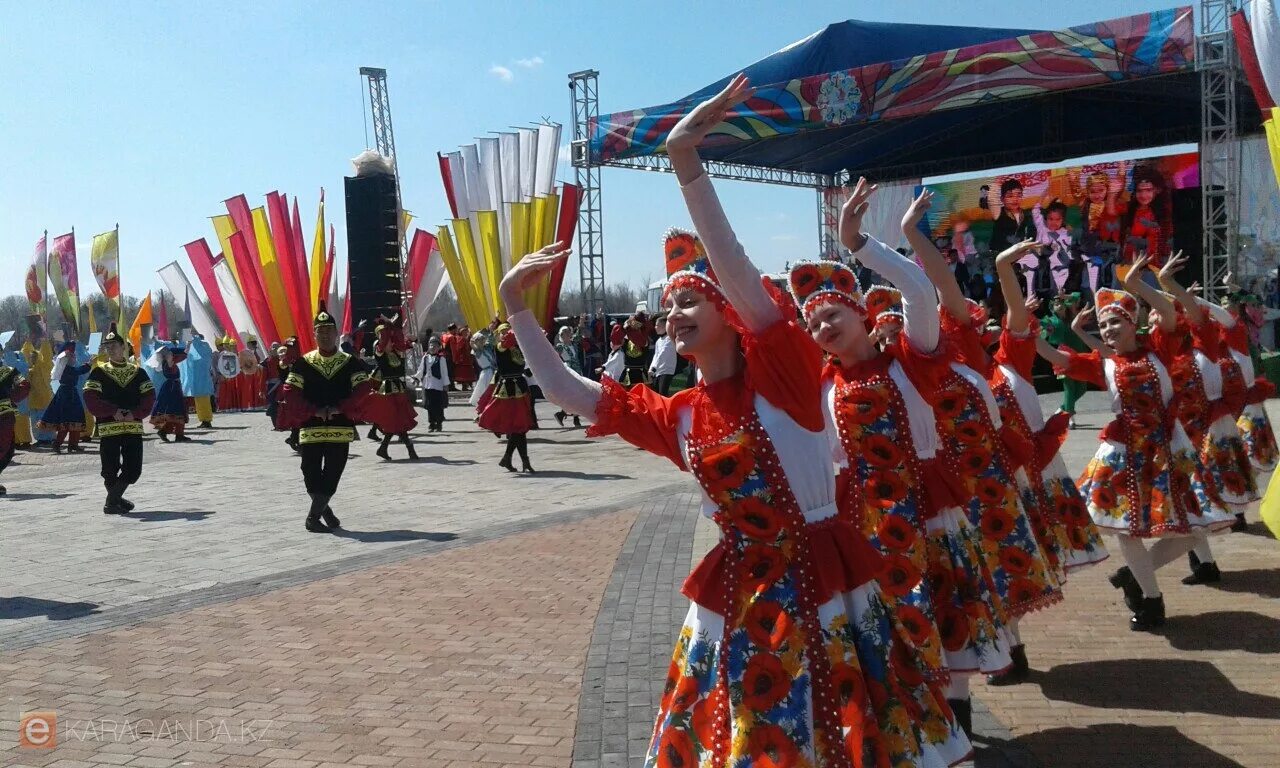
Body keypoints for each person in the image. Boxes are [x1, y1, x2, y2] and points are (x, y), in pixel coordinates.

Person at [499, 74, 971, 767]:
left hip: (823, 579)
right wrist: (517, 311)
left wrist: (687, 164)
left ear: (732, 315)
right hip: (741, 592)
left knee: (847, 730)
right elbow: (572, 394)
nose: (674, 317)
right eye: (668, 310)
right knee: (752, 733)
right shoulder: (678, 414)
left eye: (692, 302)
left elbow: (743, 276)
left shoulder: (785, 379)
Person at [793, 181, 1009, 739]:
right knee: (892, 625)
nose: (822, 327)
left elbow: (917, 287)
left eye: (833, 312)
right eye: (812, 323)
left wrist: (860, 243)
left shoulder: (913, 360)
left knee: (947, 607)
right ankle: (921, 725)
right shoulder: (823, 390)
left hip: (929, 508)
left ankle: (956, 716)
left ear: (863, 315)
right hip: (866, 522)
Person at [1035, 257, 1236, 630]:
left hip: (1167, 449)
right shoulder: (1103, 364)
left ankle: (1131, 576)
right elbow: (1054, 356)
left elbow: (1170, 311)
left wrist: (1139, 284)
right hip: (1124, 453)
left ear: (1134, 324)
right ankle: (1151, 600)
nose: (1108, 329)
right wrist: (1027, 330)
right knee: (1126, 531)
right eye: (1104, 324)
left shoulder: (1160, 348)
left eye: (1115, 322)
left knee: (1193, 530)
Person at [276, 304, 376, 533]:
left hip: (340, 426)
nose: (325, 336)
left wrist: (342, 407)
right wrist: (314, 411)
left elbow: (363, 388)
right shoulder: (304, 362)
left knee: (333, 472)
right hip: (311, 426)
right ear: (314, 335)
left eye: (329, 331)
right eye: (320, 332)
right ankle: (325, 512)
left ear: (336, 332)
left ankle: (312, 518)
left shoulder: (349, 362)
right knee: (309, 472)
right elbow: (289, 392)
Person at [83, 324, 156, 515]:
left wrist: (136, 413)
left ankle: (112, 501)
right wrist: (111, 410)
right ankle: (115, 501)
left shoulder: (138, 372)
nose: (110, 349)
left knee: (134, 468)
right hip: (109, 426)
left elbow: (149, 396)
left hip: (132, 425)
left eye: (114, 345)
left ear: (124, 347)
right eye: (107, 346)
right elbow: (90, 396)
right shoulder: (98, 371)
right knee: (109, 468)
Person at [477, 322, 535, 473]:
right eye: (503, 332)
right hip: (508, 390)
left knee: (520, 428)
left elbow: (524, 363)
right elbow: (506, 344)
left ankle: (515, 460)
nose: (506, 334)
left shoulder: (517, 347)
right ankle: (514, 459)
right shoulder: (500, 347)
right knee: (518, 427)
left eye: (508, 331)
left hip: (520, 388)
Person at [368, 313, 419, 461]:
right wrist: (387, 326)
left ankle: (384, 448)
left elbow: (405, 344)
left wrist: (400, 332)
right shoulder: (380, 353)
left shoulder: (396, 354)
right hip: (388, 391)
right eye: (389, 341)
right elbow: (383, 341)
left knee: (398, 420)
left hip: (399, 390)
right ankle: (410, 449)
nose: (391, 343)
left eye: (392, 341)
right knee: (395, 419)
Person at [1041, 293, 1090, 428]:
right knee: (1069, 388)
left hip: (1079, 356)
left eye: (1061, 303)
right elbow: (1042, 330)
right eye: (1056, 304)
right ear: (1052, 308)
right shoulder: (1051, 320)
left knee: (1081, 388)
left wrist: (1066, 295)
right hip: (1063, 357)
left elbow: (1076, 297)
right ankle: (1069, 417)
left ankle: (1062, 410)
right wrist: (1047, 330)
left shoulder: (1072, 315)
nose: (1060, 305)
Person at [39, 341, 91, 453]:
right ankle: (57, 444)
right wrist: (89, 364)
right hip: (66, 395)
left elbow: (78, 370)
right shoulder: (65, 368)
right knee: (65, 422)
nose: (74, 357)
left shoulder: (67, 367)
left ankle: (73, 444)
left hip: (71, 394)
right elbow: (78, 371)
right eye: (72, 356)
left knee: (76, 419)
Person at [147, 343, 191, 442]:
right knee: (174, 411)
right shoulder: (168, 363)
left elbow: (183, 355)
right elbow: (180, 356)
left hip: (173, 388)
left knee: (177, 411)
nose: (171, 353)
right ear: (165, 355)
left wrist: (187, 347)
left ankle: (177, 434)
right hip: (171, 389)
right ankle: (169, 432)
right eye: (168, 353)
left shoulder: (169, 362)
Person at [0, 355, 31, 495]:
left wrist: (12, 396)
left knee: (7, 449)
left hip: (5, 416)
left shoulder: (8, 371)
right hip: (5, 417)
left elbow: (24, 385)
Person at [989, 177, 1037, 253]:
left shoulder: (1026, 215)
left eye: (1019, 195)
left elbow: (1032, 235)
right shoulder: (998, 213)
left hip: (1021, 255)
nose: (1015, 199)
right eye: (1010, 196)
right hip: (1001, 257)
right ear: (1002, 199)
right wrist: (997, 182)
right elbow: (992, 200)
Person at [182, 332, 216, 428]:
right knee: (200, 401)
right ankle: (205, 420)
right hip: (199, 380)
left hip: (201, 380)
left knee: (203, 401)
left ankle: (206, 420)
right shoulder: (203, 348)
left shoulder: (202, 347)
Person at [418, 336, 450, 432]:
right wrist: (417, 377)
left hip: (438, 384)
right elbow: (421, 369)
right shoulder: (425, 358)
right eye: (431, 345)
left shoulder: (441, 359)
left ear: (439, 347)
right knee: (429, 404)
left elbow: (444, 372)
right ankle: (431, 423)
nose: (432, 347)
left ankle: (439, 423)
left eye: (435, 346)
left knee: (438, 404)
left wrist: (445, 384)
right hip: (428, 384)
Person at [552, 326, 583, 427]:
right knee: (573, 395)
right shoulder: (561, 346)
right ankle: (572, 417)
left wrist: (581, 325)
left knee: (577, 395)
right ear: (562, 335)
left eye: (569, 332)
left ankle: (564, 414)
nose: (568, 334)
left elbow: (578, 336)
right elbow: (552, 353)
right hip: (569, 372)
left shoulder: (573, 344)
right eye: (565, 333)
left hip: (577, 371)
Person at [648, 315, 677, 396]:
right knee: (656, 394)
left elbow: (663, 354)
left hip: (667, 370)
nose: (655, 327)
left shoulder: (669, 339)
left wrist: (654, 368)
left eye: (657, 325)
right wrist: (651, 368)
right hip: (658, 371)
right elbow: (656, 355)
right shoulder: (658, 341)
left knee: (662, 393)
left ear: (665, 327)